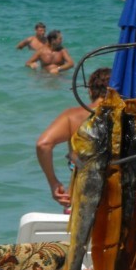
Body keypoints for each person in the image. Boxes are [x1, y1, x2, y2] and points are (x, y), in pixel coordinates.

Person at [35, 67, 111, 208]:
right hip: (119, 199)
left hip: (80, 198)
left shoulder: (72, 115)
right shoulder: (129, 114)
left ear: (90, 91)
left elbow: (43, 145)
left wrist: (53, 182)